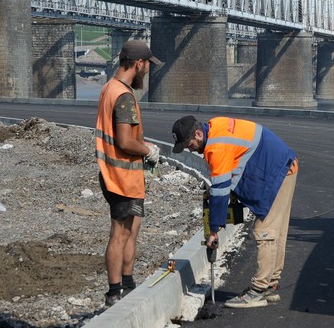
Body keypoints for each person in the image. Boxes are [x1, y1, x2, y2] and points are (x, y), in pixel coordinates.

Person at [172, 114, 298, 309]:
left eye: (189, 144)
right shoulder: (216, 127)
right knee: (277, 231)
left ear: (198, 134)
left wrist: (214, 230)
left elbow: (220, 190)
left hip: (276, 173)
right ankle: (270, 284)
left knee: (265, 231)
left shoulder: (216, 147)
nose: (190, 149)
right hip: (283, 166)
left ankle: (258, 290)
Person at [95, 39, 163, 306]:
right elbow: (125, 141)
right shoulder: (124, 96)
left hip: (118, 173)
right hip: (121, 176)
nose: (147, 71)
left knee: (131, 230)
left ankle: (128, 284)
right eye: (147, 65)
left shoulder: (109, 88)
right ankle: (114, 293)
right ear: (138, 64)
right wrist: (147, 150)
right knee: (120, 233)